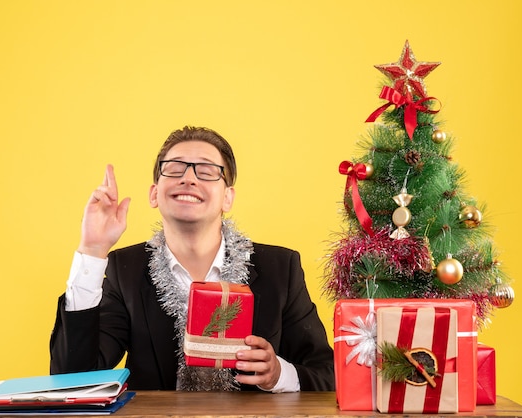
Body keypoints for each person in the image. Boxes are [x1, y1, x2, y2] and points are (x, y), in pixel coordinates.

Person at [49, 126, 334, 392]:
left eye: (208, 171)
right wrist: (92, 249)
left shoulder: (280, 269)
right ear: (154, 194)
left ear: (227, 198)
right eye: (174, 169)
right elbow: (73, 379)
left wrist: (278, 375)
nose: (189, 178)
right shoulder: (126, 270)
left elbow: (326, 374)